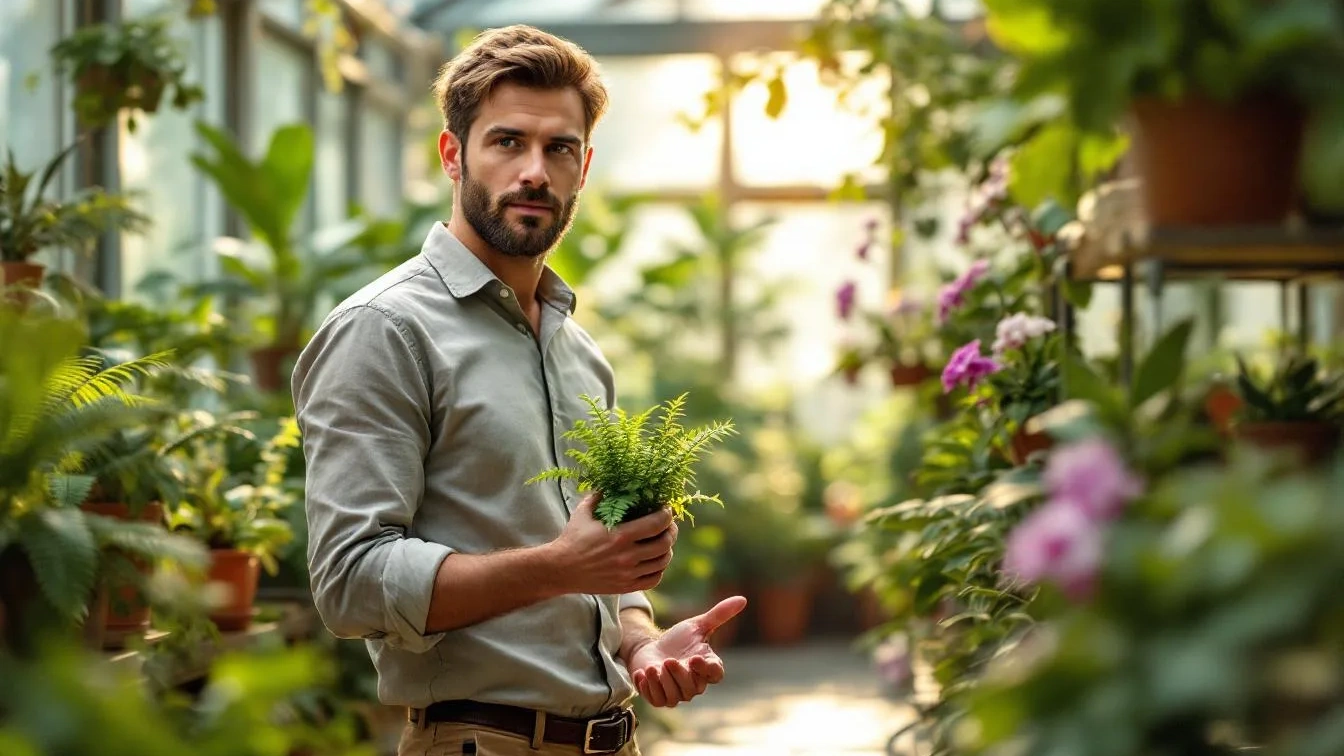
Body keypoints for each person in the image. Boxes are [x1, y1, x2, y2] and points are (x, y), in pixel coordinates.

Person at [292, 23, 747, 756]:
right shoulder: (385, 330)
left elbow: (591, 555)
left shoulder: (577, 349)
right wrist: (558, 567)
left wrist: (639, 639)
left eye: (558, 148)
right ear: (453, 154)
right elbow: (350, 582)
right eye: (507, 142)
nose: (534, 170)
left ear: (584, 167)